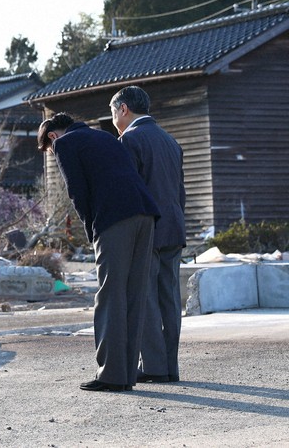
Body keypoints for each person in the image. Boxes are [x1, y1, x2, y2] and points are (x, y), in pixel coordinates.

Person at [37, 112, 160, 392]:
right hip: (146, 215)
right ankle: (127, 373)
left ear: (53, 137)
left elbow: (77, 193)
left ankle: (111, 375)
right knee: (133, 294)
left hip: (114, 219)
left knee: (109, 295)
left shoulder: (65, 144)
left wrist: (92, 230)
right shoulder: (104, 136)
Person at [110, 86, 186, 383]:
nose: (113, 118)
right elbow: (180, 192)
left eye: (113, 112)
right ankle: (170, 366)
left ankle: (153, 366)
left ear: (124, 109)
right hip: (174, 226)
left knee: (145, 299)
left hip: (147, 230)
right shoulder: (170, 140)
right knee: (170, 299)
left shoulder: (129, 139)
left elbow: (129, 191)